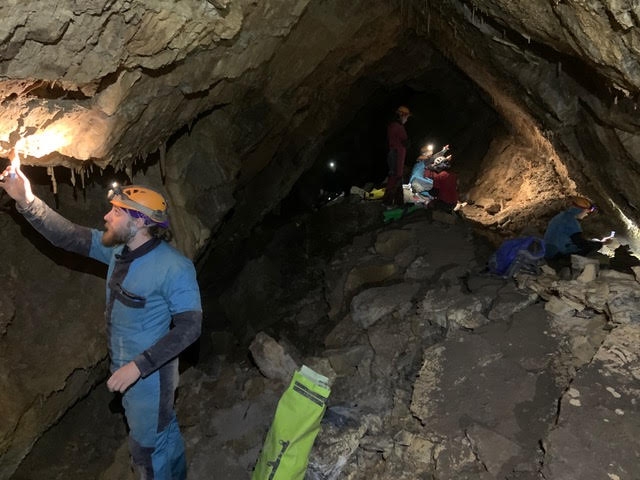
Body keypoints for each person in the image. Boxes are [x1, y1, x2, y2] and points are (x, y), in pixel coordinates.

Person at [0, 164, 202, 480]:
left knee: (146, 449)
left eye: (117, 213)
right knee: (163, 429)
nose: (107, 217)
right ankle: (178, 474)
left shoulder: (174, 268)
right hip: (126, 366)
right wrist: (27, 201)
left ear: (139, 223)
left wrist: (138, 366)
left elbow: (190, 327)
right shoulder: (119, 251)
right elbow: (69, 237)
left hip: (150, 377)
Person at [543, 196, 614, 260]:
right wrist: (601, 243)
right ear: (579, 210)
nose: (586, 214)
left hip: (547, 250)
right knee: (591, 248)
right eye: (586, 211)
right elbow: (581, 243)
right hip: (556, 254)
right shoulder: (571, 221)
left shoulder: (561, 216)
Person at [382, 105, 410, 207]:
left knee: (394, 177)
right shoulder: (398, 127)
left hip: (394, 153)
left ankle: (391, 201)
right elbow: (405, 142)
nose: (406, 119)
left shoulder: (392, 125)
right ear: (402, 115)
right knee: (396, 177)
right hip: (396, 154)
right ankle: (390, 202)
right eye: (406, 117)